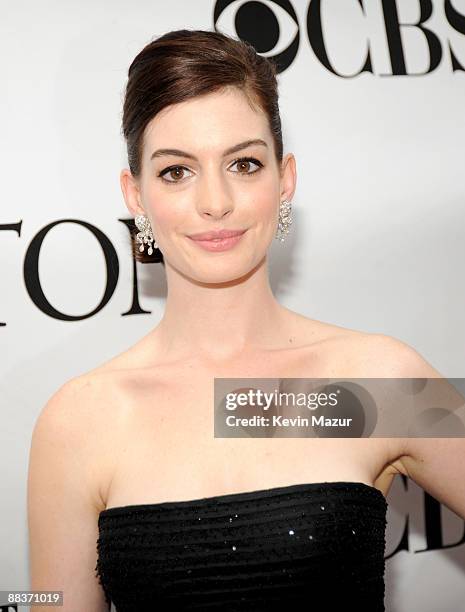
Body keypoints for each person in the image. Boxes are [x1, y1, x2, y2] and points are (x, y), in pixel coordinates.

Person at [27, 29, 465, 611]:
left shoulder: (374, 379)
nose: (216, 200)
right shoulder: (79, 419)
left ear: (285, 179)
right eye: (176, 171)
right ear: (135, 195)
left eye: (243, 163)